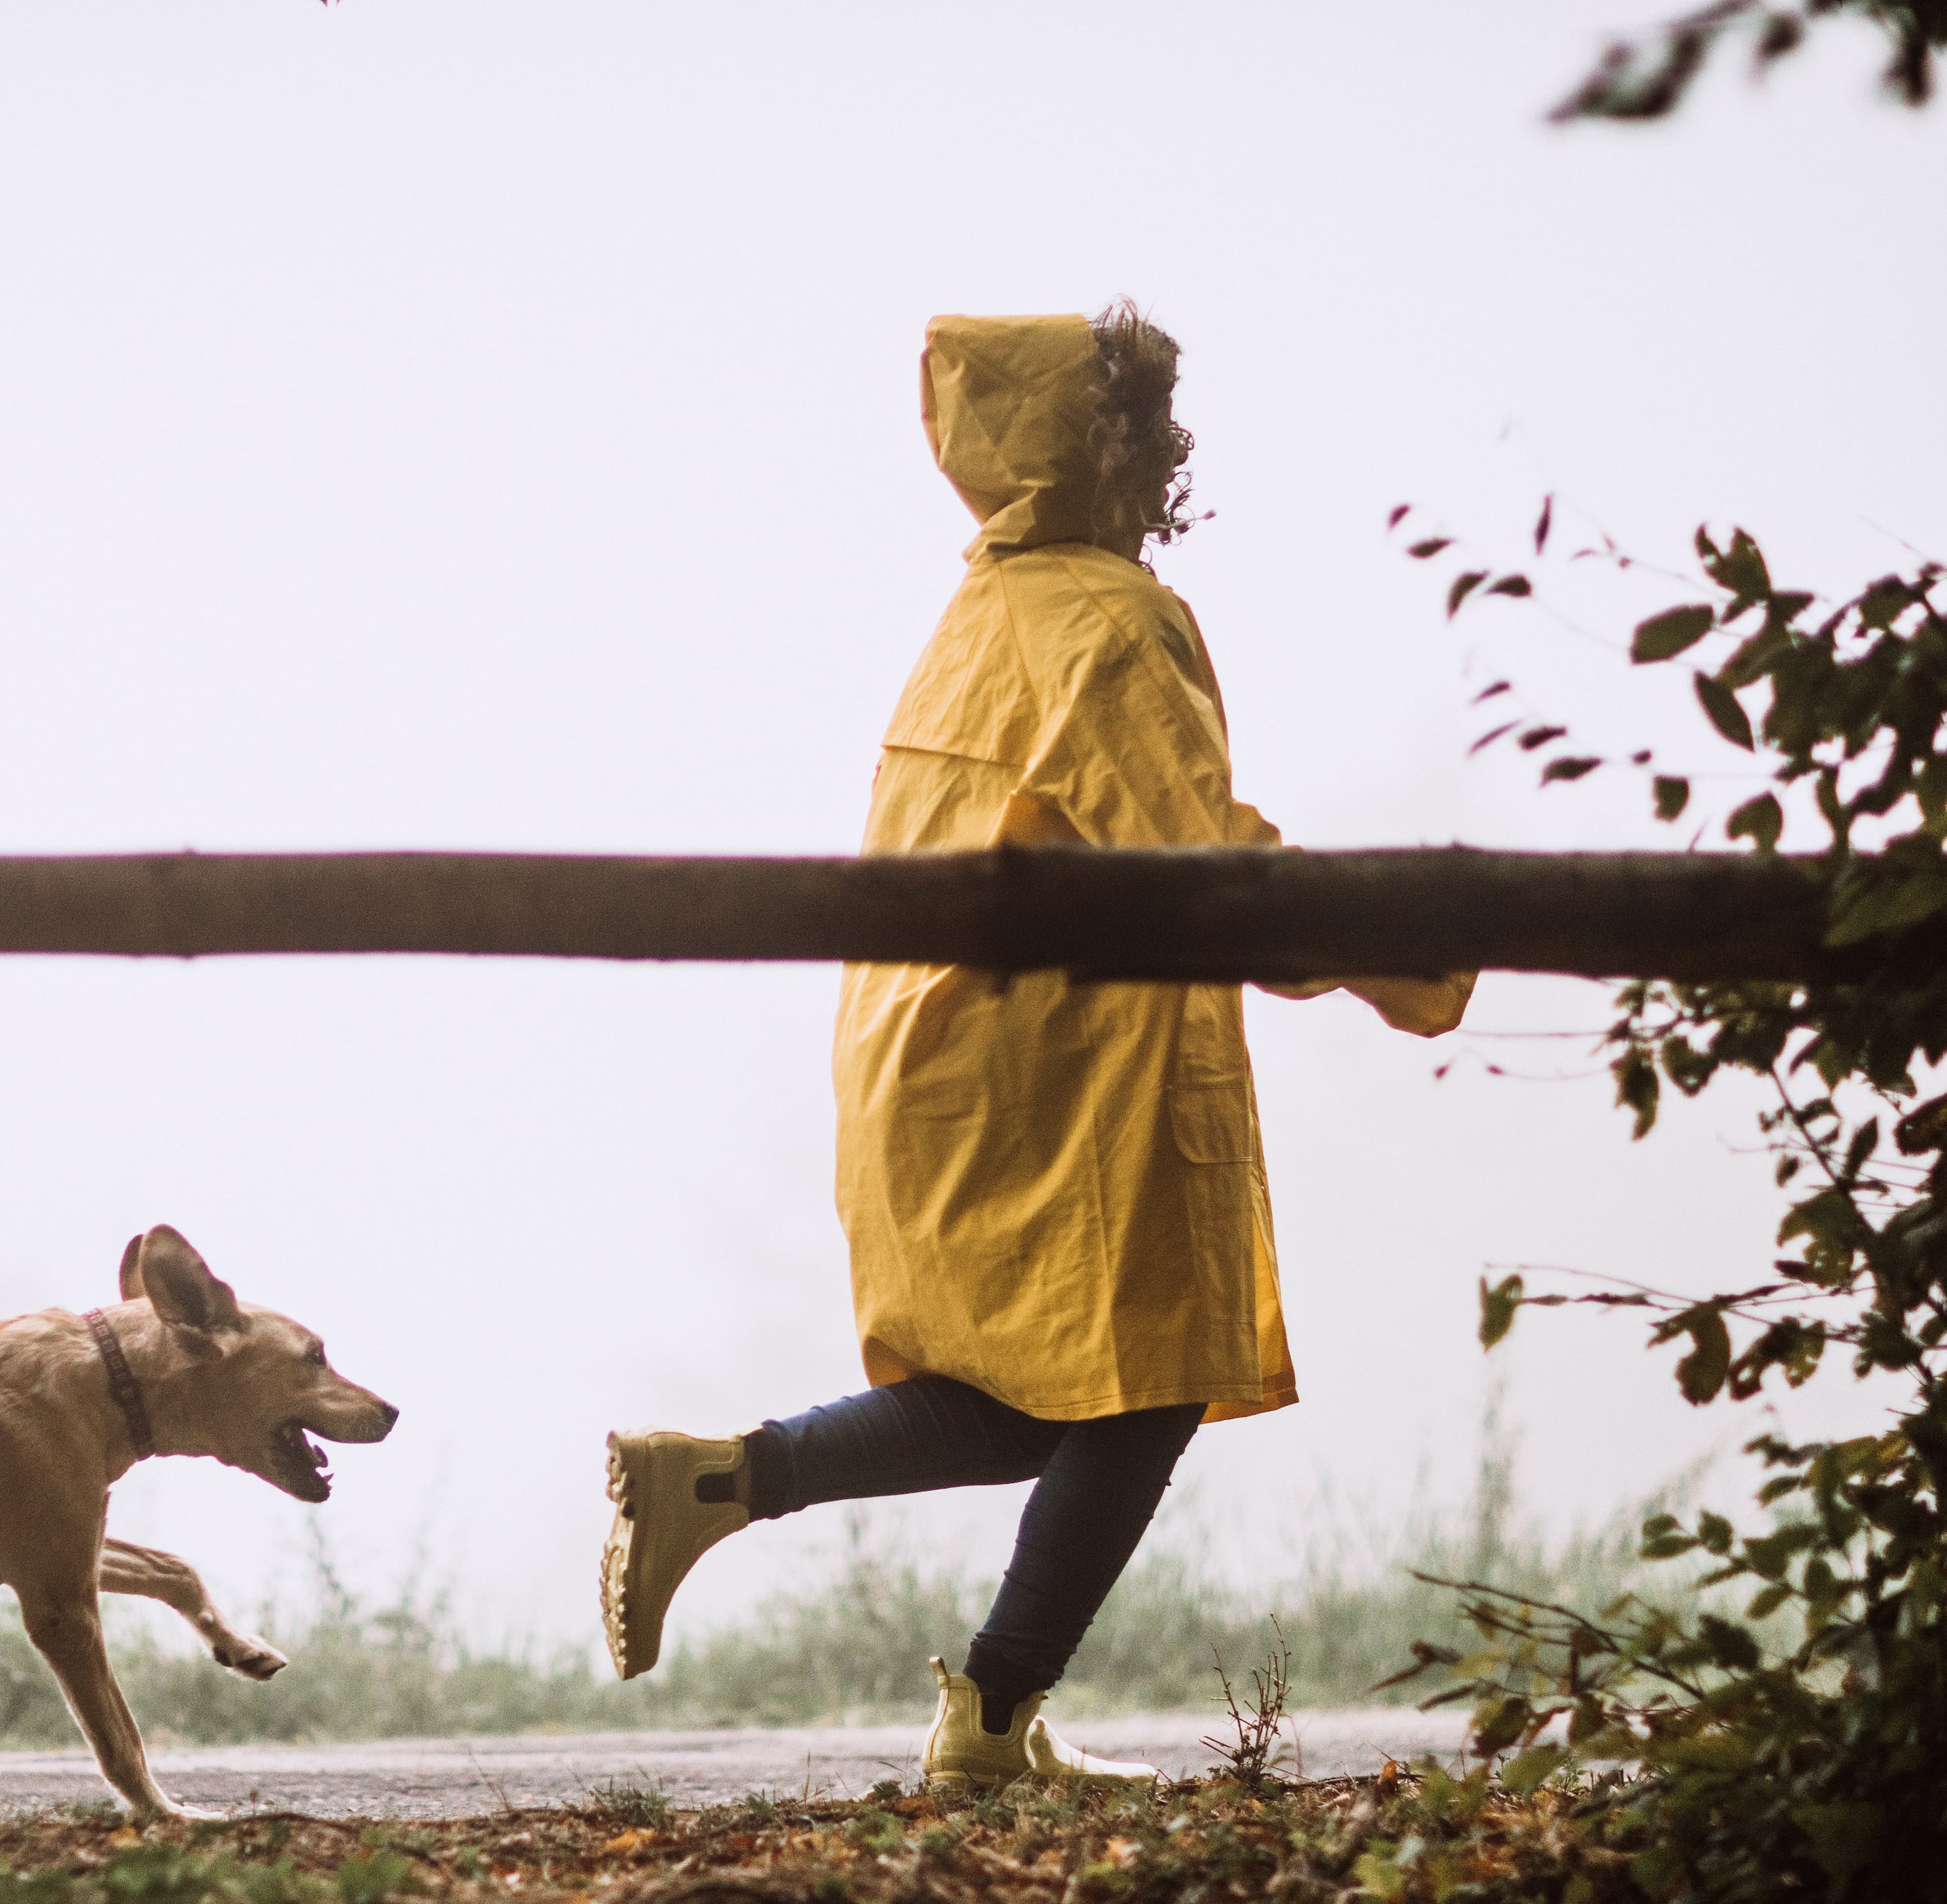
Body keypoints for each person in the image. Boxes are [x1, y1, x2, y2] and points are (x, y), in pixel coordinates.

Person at [598, 307, 1471, 1797]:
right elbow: (1199, 863)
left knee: (1032, 1396)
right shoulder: (1111, 622)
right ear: (1113, 449)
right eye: (1147, 434)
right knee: (1147, 1374)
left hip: (928, 1049)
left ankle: (720, 1478)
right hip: (1062, 1073)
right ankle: (993, 1720)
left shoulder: (980, 617)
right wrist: (1406, 944)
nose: (1165, 464)